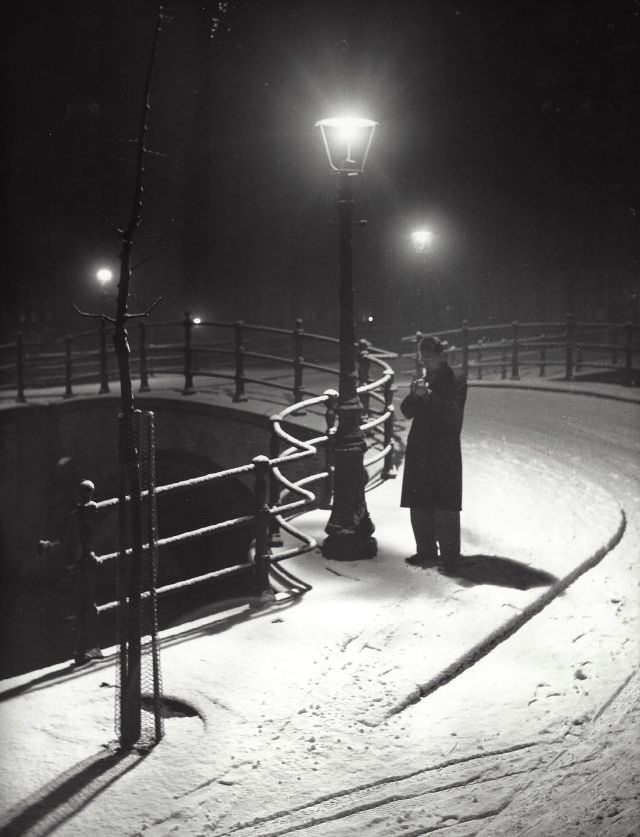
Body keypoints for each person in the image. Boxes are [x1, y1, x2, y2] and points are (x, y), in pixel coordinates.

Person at [400, 335, 467, 573]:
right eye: (422, 357)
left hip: (444, 448)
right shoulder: (422, 379)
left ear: (440, 356)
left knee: (445, 504)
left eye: (429, 357)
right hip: (420, 446)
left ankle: (450, 557)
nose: (425, 362)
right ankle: (425, 551)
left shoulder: (456, 379)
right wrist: (415, 396)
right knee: (419, 502)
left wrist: (429, 397)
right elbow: (407, 411)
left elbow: (453, 413)